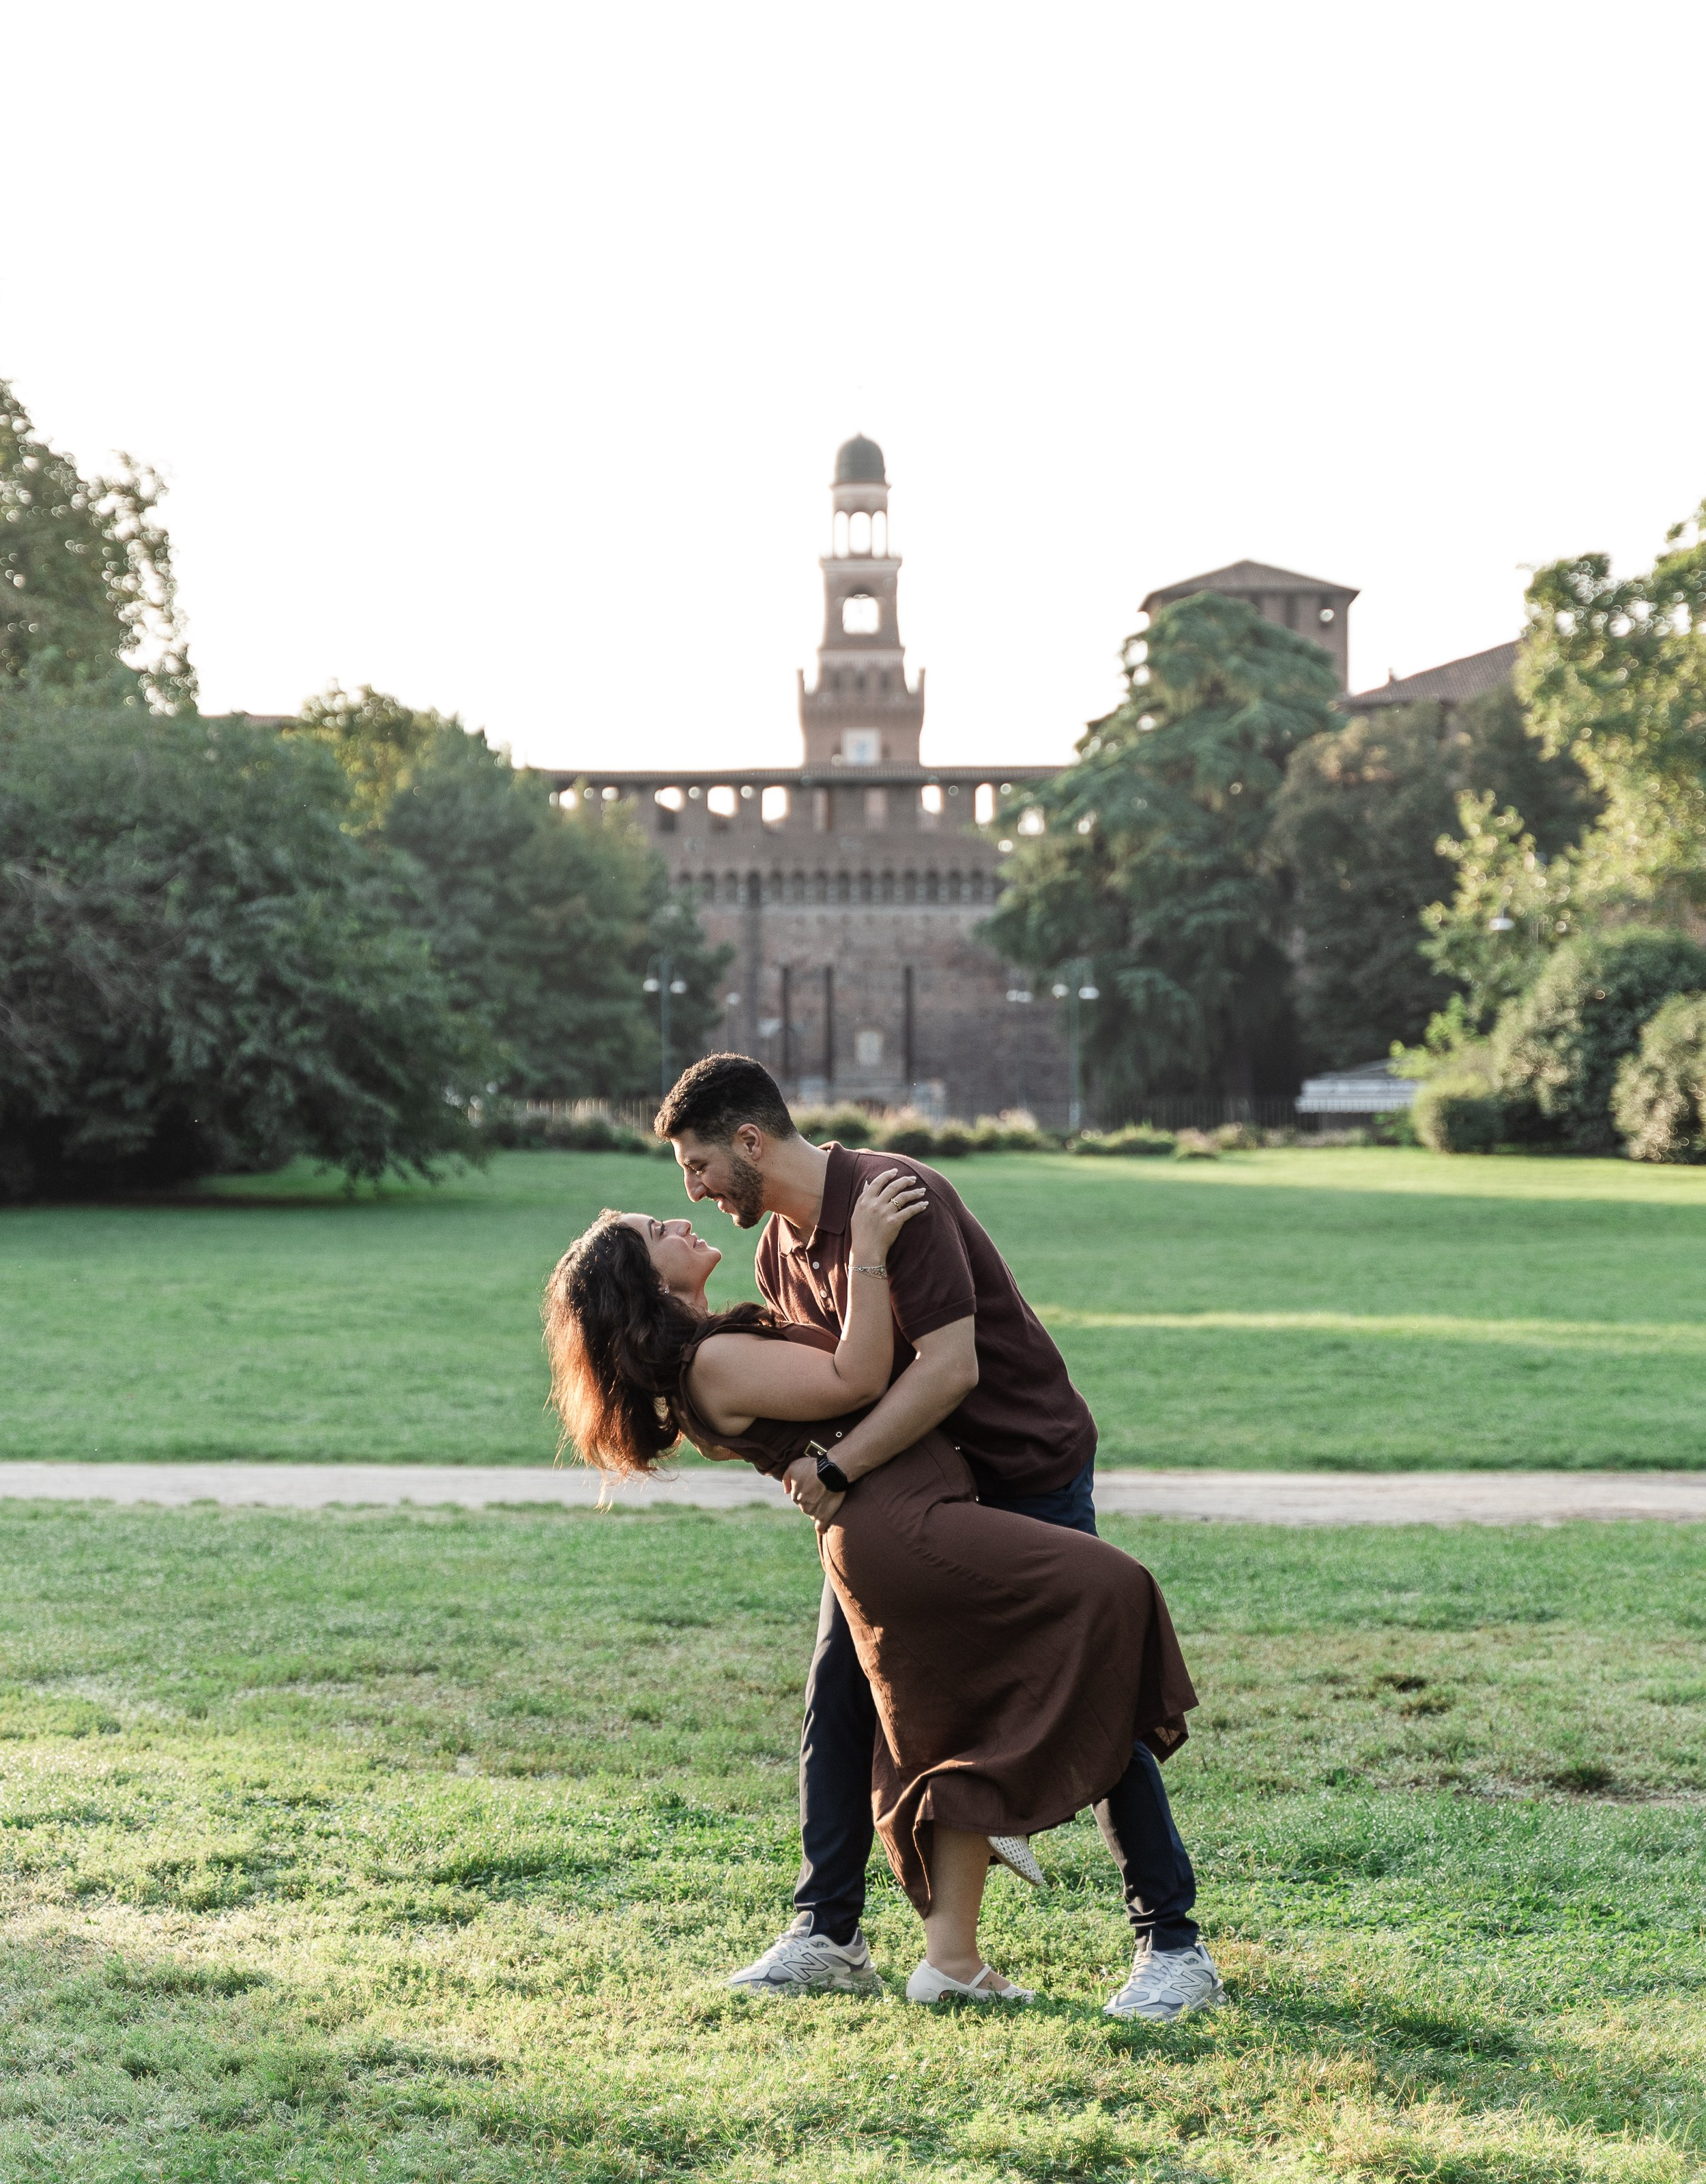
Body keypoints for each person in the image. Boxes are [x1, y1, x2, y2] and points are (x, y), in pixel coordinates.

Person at [650, 1054, 1224, 2023]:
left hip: (1020, 1472)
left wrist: (837, 1471)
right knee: (840, 1693)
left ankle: (1173, 1945)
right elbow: (838, 1384)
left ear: (750, 1141)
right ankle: (827, 1933)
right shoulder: (779, 1252)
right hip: (908, 1499)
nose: (696, 1191)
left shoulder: (893, 1196)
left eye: (699, 1166)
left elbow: (949, 1370)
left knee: (1092, 1679)